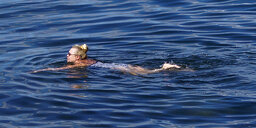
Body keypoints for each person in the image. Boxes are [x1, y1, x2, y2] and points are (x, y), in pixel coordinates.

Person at [36, 44, 182, 74]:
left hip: (114, 67)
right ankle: (165, 67)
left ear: (78, 57)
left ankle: (164, 68)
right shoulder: (87, 60)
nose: (67, 56)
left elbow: (58, 69)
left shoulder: (78, 65)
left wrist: (41, 70)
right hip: (115, 65)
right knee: (146, 70)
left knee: (149, 73)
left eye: (69, 54)